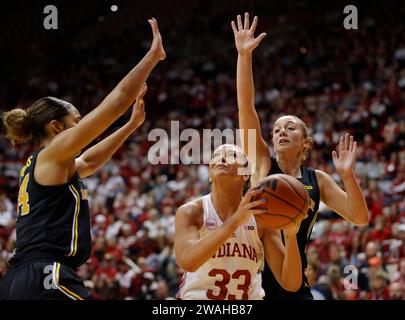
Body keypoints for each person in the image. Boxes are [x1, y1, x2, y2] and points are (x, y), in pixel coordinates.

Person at [0, 18, 165, 300]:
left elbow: (88, 162)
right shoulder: (53, 152)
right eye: (76, 121)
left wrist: (130, 126)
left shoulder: (48, 164)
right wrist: (153, 57)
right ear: (57, 126)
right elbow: (117, 101)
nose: (81, 126)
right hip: (45, 275)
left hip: (24, 279)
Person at [231, 13, 369, 299]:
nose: (281, 132)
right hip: (255, 284)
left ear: (304, 142)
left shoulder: (316, 179)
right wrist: (244, 56)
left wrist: (347, 176)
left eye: (290, 128)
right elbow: (246, 108)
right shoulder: (262, 164)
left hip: (295, 281)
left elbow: (360, 217)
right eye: (277, 129)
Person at [175, 144, 307, 300]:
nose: (221, 158)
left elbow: (291, 283)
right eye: (216, 156)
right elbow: (188, 262)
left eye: (231, 155)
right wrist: (236, 220)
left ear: (246, 174)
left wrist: (291, 235)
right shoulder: (192, 211)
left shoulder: (262, 218)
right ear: (210, 173)